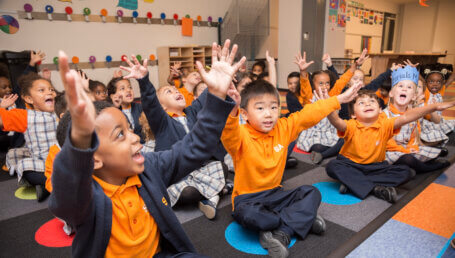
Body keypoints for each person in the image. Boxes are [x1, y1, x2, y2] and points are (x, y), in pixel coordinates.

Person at [49, 42, 241, 257]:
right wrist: (78, 146)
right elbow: (66, 192)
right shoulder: (85, 198)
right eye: (120, 134)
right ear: (93, 159)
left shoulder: (149, 167)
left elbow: (195, 147)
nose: (134, 137)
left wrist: (215, 94)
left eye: (129, 129)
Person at [221, 74, 363, 258]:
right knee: (249, 215)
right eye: (260, 108)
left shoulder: (283, 127)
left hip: (275, 194)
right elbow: (228, 132)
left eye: (273, 107)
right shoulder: (240, 135)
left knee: (312, 193)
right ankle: (300, 219)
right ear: (245, 114)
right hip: (247, 200)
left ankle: (282, 233)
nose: (268, 113)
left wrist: (339, 99)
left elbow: (308, 115)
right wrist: (231, 111)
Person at [324, 66, 455, 203]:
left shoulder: (385, 123)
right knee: (332, 166)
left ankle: (353, 183)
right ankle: (375, 189)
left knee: (407, 172)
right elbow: (337, 121)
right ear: (353, 114)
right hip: (350, 164)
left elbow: (406, 117)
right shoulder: (351, 125)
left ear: (380, 109)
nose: (367, 104)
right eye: (361, 103)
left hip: (376, 167)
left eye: (372, 102)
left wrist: (433, 107)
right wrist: (328, 105)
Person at [295, 49, 368, 164]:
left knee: (349, 139)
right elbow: (304, 86)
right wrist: (303, 71)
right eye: (320, 83)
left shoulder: (333, 94)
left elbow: (343, 80)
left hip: (331, 133)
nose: (325, 86)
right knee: (317, 147)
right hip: (314, 135)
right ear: (313, 85)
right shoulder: (309, 98)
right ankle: (328, 152)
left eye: (327, 83)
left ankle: (323, 155)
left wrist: (356, 64)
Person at [1, 72, 57, 201]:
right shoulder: (25, 116)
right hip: (42, 162)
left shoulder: (59, 110)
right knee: (23, 166)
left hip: (63, 160)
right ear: (29, 99)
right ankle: (50, 184)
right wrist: (2, 107)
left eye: (51, 90)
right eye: (41, 90)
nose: (49, 93)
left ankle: (49, 185)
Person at [384, 66, 450, 173]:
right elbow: (386, 142)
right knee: (407, 159)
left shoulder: (413, 115)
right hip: (389, 151)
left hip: (406, 148)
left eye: (409, 87)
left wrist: (412, 147)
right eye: (400, 86)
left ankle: (422, 160)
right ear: (391, 93)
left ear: (414, 96)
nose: (404, 89)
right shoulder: (385, 114)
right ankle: (427, 168)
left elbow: (413, 136)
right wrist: (405, 150)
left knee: (422, 152)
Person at [106, 76, 144, 142]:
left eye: (130, 87)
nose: (128, 90)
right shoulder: (111, 112)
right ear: (112, 96)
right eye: (122, 88)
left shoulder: (140, 107)